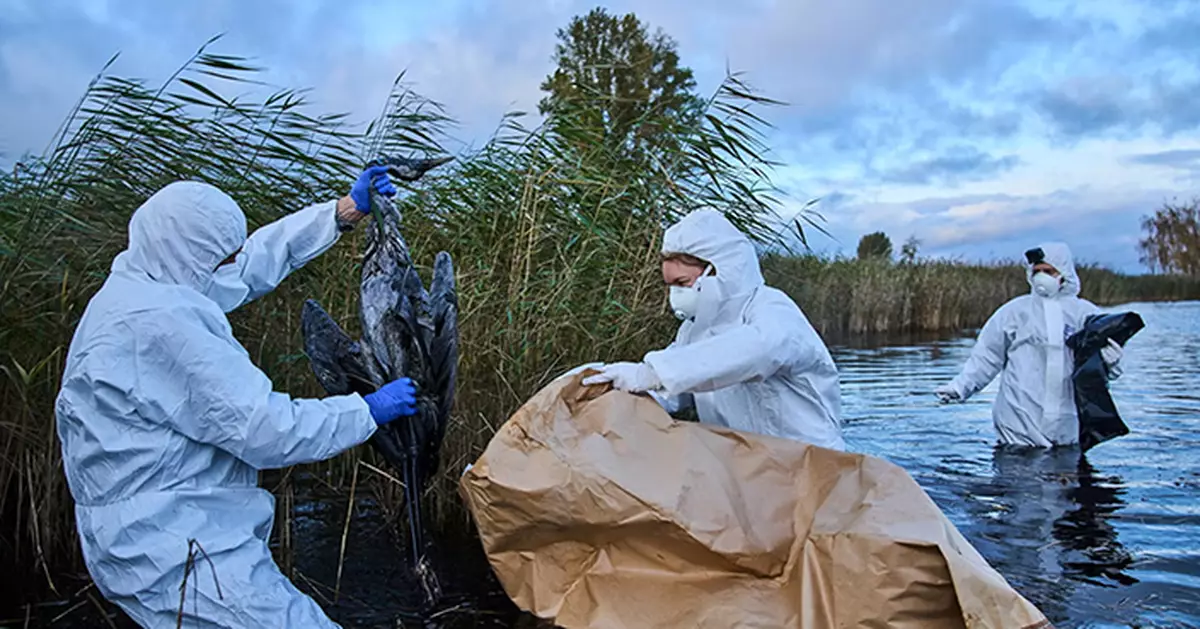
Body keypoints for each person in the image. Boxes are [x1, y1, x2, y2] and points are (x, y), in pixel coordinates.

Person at [54, 168, 420, 628]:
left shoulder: (142, 281)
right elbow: (264, 430)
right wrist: (366, 410)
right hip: (177, 550)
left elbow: (247, 267)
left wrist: (343, 211)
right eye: (220, 257)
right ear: (190, 255)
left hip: (148, 535)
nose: (230, 263)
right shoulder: (160, 323)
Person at [582, 209, 846, 451]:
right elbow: (673, 393)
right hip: (748, 469)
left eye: (682, 282)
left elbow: (757, 350)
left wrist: (650, 372)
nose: (675, 293)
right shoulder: (693, 331)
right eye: (670, 285)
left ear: (718, 270)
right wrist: (608, 390)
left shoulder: (772, 309)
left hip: (812, 467)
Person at [934, 241, 1125, 448]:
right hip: (1017, 424)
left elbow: (1102, 371)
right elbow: (987, 357)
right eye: (1037, 271)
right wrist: (960, 387)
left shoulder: (1085, 314)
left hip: (1068, 426)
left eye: (1049, 271)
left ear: (1064, 273)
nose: (1041, 276)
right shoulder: (1015, 312)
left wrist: (1112, 363)